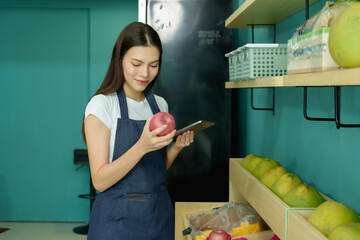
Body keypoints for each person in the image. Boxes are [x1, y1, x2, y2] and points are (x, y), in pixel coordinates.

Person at [81, 22, 194, 239]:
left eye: (153, 64)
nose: (145, 73)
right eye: (136, 63)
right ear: (120, 59)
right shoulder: (102, 105)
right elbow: (100, 180)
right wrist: (141, 146)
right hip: (115, 223)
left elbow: (153, 170)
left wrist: (175, 149)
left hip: (158, 217)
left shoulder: (160, 105)